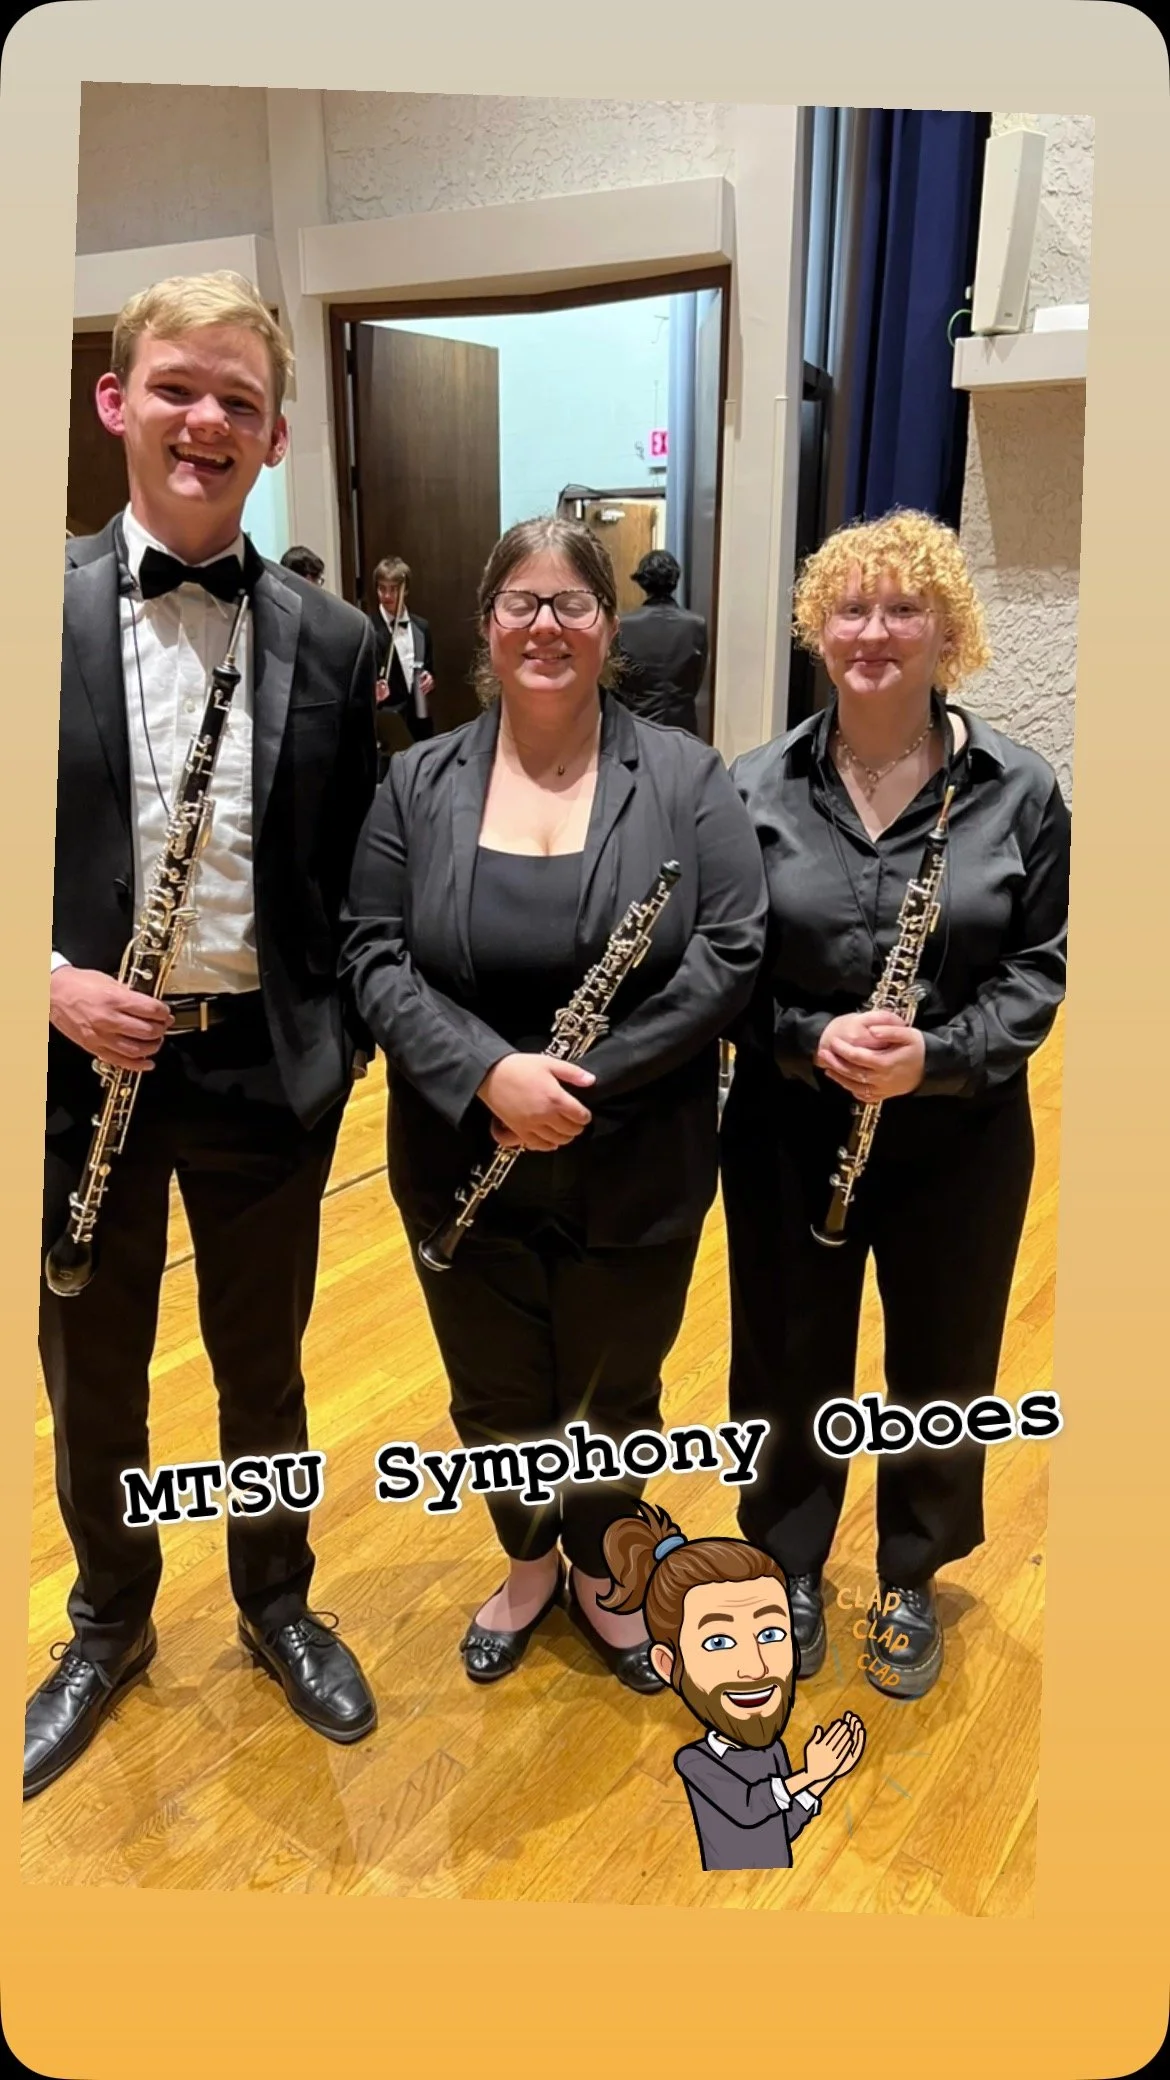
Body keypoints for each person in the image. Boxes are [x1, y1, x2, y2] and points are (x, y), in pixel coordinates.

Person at [28, 269, 379, 1801]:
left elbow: (362, 873)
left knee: (265, 1369)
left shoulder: (336, 637)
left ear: (277, 434)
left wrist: (341, 1050)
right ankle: (109, 1621)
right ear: (115, 400)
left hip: (262, 1072)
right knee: (91, 1373)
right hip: (71, 1069)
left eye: (240, 399)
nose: (206, 420)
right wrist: (46, 982)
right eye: (177, 386)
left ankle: (276, 1600)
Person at [340, 516, 766, 1692]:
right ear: (487, 624)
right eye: (521, 602)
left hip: (635, 1146)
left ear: (607, 626)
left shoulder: (684, 776)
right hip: (460, 1148)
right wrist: (487, 1072)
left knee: (616, 1388)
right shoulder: (419, 780)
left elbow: (731, 950)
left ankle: (598, 1565)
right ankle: (529, 1563)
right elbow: (373, 951)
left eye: (572, 603)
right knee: (495, 1389)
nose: (546, 625)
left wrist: (586, 1078)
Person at [721, 508, 1071, 1701]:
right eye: (851, 608)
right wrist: (807, 1037)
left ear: (946, 631)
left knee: (944, 1359)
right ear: (819, 630)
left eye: (903, 608)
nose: (874, 631)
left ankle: (912, 1569)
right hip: (788, 1124)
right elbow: (725, 971)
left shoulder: (1020, 789)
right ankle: (788, 1557)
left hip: (958, 1133)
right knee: (784, 1354)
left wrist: (941, 1053)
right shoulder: (754, 787)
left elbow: (1038, 970)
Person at [601, 1503, 865, 1871]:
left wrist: (823, 1780)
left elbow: (780, 1826)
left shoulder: (771, 1751)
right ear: (668, 1664)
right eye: (719, 1642)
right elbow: (748, 1808)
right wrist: (810, 1775)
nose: (755, 1668)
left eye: (770, 1634)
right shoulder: (695, 1762)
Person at [614, 548, 708, 736]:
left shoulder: (624, 625)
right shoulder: (696, 624)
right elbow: (696, 679)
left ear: (642, 581)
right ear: (675, 580)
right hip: (683, 727)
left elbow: (617, 682)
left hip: (637, 727)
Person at [368, 556, 435, 768]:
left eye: (393, 589)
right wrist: (373, 693)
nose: (386, 596)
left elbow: (429, 667)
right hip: (387, 728)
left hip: (420, 721)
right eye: (382, 588)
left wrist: (429, 678)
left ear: (405, 590)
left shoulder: (421, 627)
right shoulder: (367, 628)